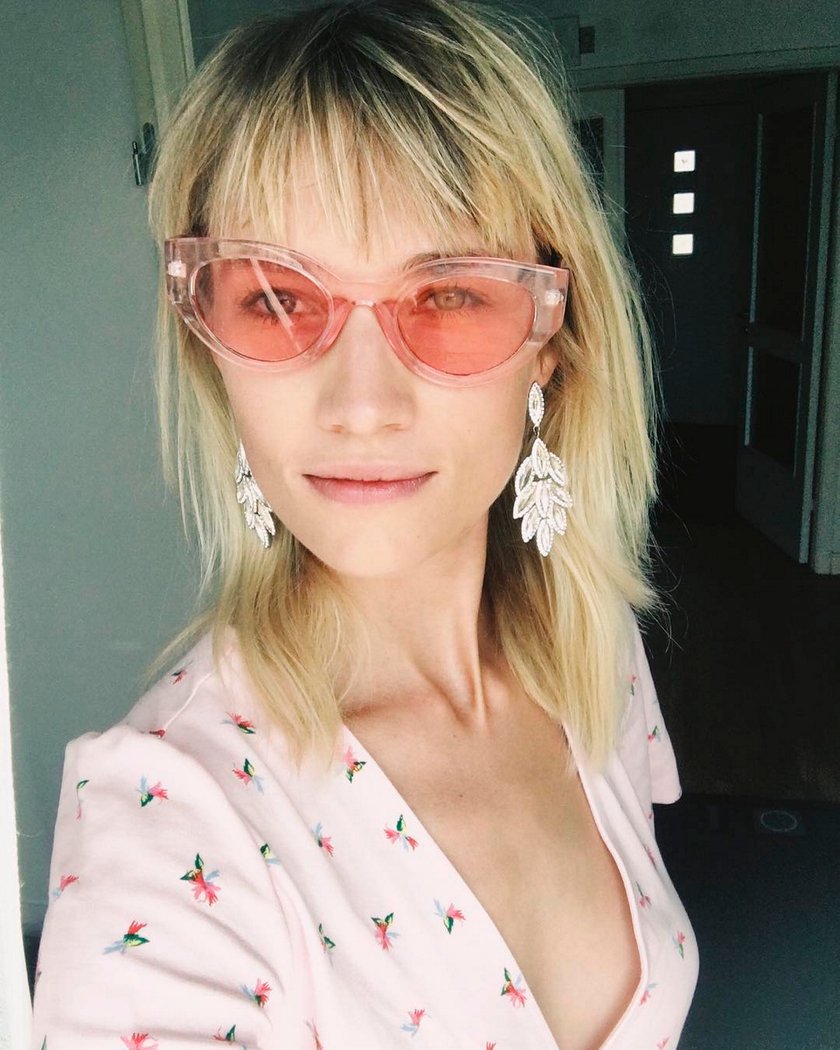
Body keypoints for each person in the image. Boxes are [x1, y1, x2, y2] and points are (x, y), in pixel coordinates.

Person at [31, 1, 699, 1047]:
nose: (362, 406)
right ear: (211, 345)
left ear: (550, 340)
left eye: (448, 295)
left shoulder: (597, 655)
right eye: (277, 299)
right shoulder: (166, 818)